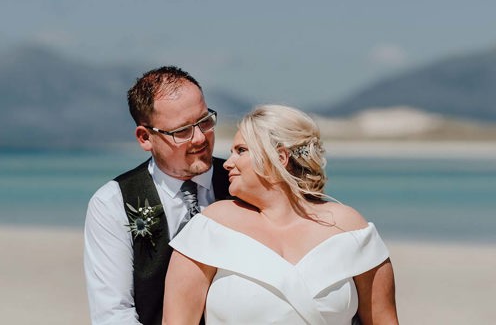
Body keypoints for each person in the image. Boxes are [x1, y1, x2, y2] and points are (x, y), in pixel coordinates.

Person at [163, 104, 398, 324]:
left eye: (241, 150)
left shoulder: (347, 227)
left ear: (280, 158)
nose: (227, 163)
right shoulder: (208, 228)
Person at [84, 66, 231, 325]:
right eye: (182, 131)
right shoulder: (113, 203)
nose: (200, 138)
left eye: (205, 121)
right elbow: (113, 313)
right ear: (145, 138)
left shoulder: (241, 183)